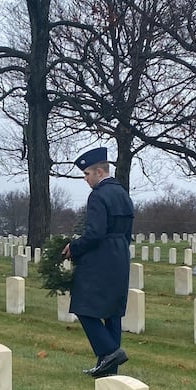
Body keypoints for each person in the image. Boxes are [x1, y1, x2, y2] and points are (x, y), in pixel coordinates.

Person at [61, 147, 134, 378]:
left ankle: (110, 352)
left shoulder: (99, 195)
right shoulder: (122, 193)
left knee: (84, 307)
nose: (86, 179)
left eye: (87, 174)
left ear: (100, 172)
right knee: (112, 311)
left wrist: (74, 247)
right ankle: (107, 368)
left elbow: (95, 233)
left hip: (100, 258)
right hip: (120, 255)